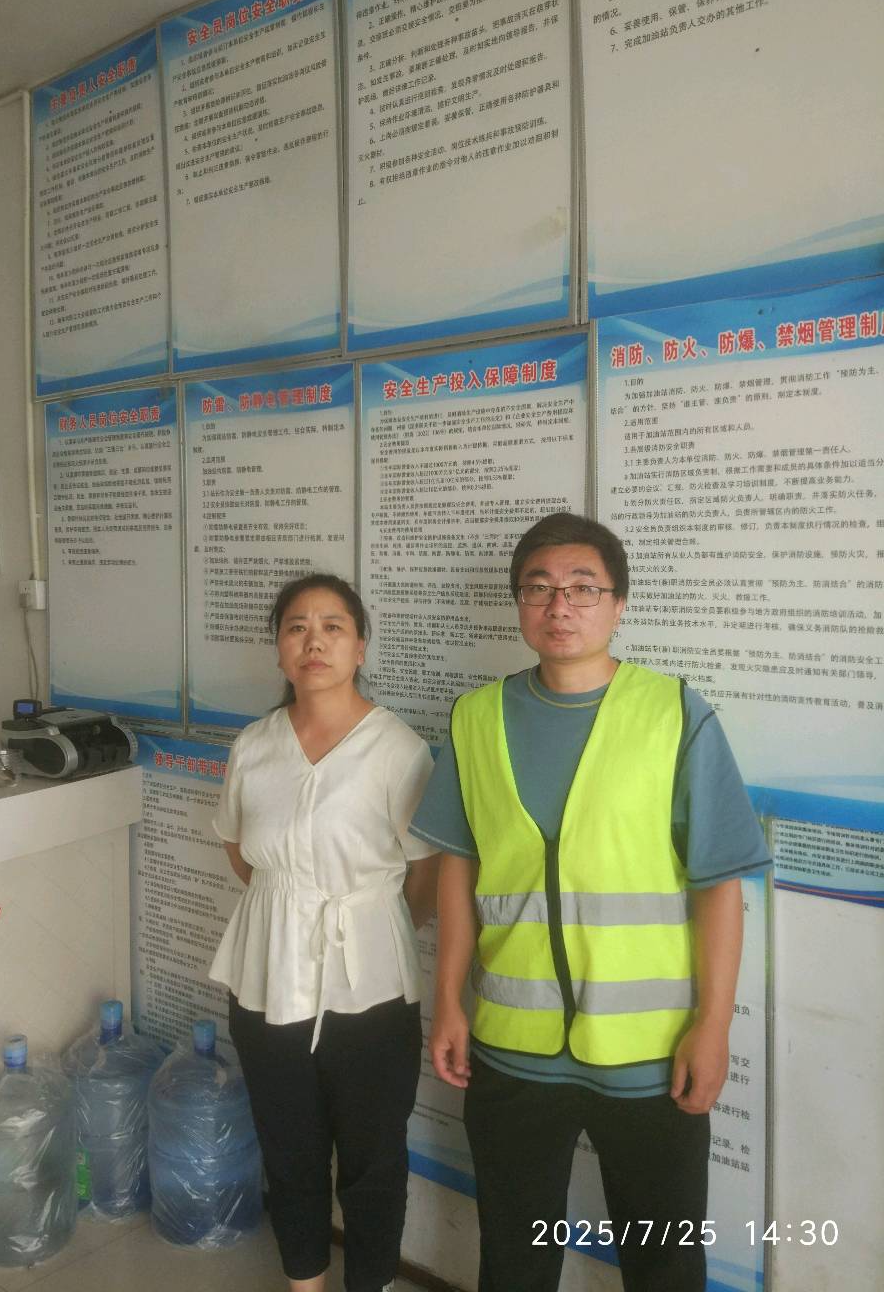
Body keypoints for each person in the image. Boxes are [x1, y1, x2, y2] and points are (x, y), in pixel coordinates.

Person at [411, 513, 771, 1292]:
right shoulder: (475, 719)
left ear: (619, 604)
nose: (559, 605)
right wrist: (447, 1003)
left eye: (582, 588)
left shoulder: (674, 713)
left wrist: (713, 1027)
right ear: (518, 603)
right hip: (510, 1048)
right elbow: (459, 869)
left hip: (650, 1054)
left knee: (664, 1261)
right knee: (513, 1256)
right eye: (538, 588)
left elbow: (719, 883)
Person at [210, 572, 439, 1292]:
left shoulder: (398, 749)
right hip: (267, 973)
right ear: (280, 649)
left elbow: (425, 874)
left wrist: (364, 916)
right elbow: (239, 848)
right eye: (297, 628)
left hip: (370, 981)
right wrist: (292, 906)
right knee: (289, 1149)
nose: (314, 642)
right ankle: (304, 1283)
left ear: (360, 646)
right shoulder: (254, 745)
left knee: (373, 1160)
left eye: (333, 627)